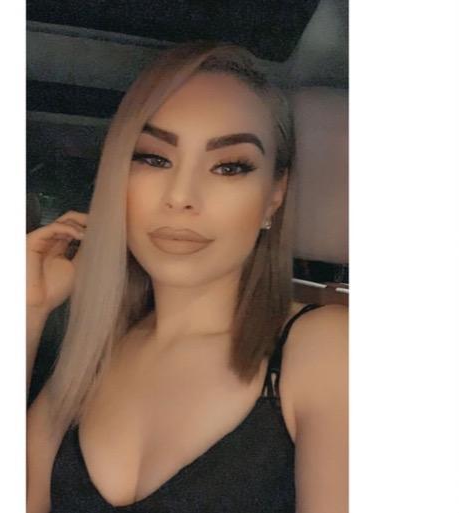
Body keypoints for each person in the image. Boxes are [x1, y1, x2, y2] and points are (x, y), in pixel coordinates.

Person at [26, 41, 348, 513]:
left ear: (274, 196)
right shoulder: (88, 361)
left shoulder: (327, 348)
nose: (180, 196)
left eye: (229, 167)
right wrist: (28, 312)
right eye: (154, 158)